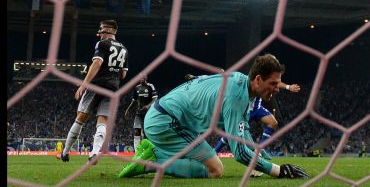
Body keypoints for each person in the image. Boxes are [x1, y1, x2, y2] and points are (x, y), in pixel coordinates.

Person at [117, 54, 308, 179]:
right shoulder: (236, 97)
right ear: (258, 79)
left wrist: (267, 160)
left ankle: (154, 152)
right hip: (166, 121)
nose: (277, 89)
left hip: (168, 117)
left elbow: (245, 135)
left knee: (207, 163)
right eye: (274, 83)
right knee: (215, 170)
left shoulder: (240, 82)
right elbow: (240, 153)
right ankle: (151, 161)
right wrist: (278, 171)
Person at [57, 19, 128, 164]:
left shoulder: (102, 44)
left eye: (101, 29)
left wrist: (83, 84)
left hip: (97, 85)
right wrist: (112, 71)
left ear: (108, 30)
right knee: (102, 121)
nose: (99, 33)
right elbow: (123, 74)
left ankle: (65, 153)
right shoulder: (124, 49)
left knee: (81, 118)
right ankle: (94, 153)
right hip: (113, 88)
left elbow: (97, 63)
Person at [125, 75, 158, 150]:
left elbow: (155, 98)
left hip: (148, 113)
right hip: (139, 113)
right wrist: (128, 109)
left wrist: (147, 106)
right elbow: (134, 100)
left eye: (143, 77)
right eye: (140, 77)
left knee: (146, 132)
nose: (141, 78)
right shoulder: (137, 87)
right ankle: (137, 151)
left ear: (146, 78)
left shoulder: (150, 86)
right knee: (137, 131)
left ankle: (148, 149)